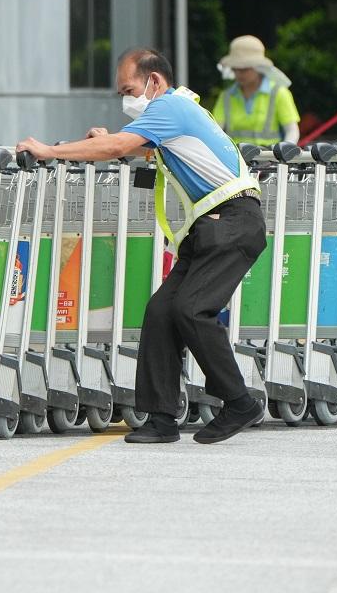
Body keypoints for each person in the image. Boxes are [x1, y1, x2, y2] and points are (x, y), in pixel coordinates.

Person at [16, 48, 266, 444]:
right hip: (215, 226)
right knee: (162, 312)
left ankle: (240, 402)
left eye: (128, 89)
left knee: (191, 309)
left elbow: (116, 149)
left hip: (232, 223)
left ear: (155, 81)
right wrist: (112, 140)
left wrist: (51, 151)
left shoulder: (170, 107)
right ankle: (162, 419)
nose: (125, 100)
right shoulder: (177, 112)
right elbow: (143, 148)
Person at [211, 35, 300, 145]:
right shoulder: (226, 96)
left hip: (271, 159)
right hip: (236, 159)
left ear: (259, 67)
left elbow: (292, 130)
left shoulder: (279, 93)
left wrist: (285, 152)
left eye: (244, 69)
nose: (238, 73)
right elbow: (214, 131)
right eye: (235, 68)